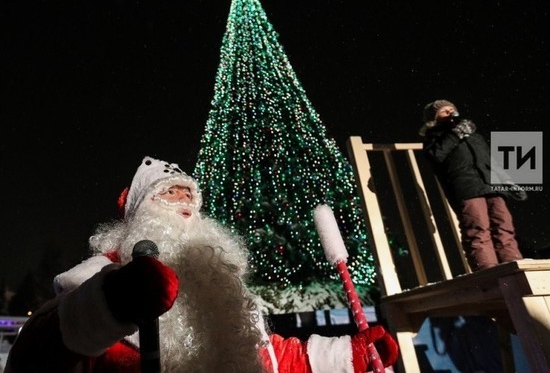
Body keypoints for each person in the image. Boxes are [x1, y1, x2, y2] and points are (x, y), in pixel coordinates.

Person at [6, 156, 398, 372]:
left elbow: (268, 358)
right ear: (141, 211)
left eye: (188, 193)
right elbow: (35, 357)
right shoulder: (98, 280)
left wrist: (348, 354)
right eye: (169, 193)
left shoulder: (219, 286)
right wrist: (110, 305)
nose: (184, 201)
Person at [419, 99, 526, 271]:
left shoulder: (474, 135)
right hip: (466, 187)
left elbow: (490, 161)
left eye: (452, 109)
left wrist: (508, 182)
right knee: (478, 227)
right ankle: (487, 270)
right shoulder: (435, 136)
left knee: (503, 224)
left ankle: (513, 264)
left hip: (491, 184)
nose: (450, 112)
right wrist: (455, 134)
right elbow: (435, 155)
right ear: (434, 117)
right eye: (444, 111)